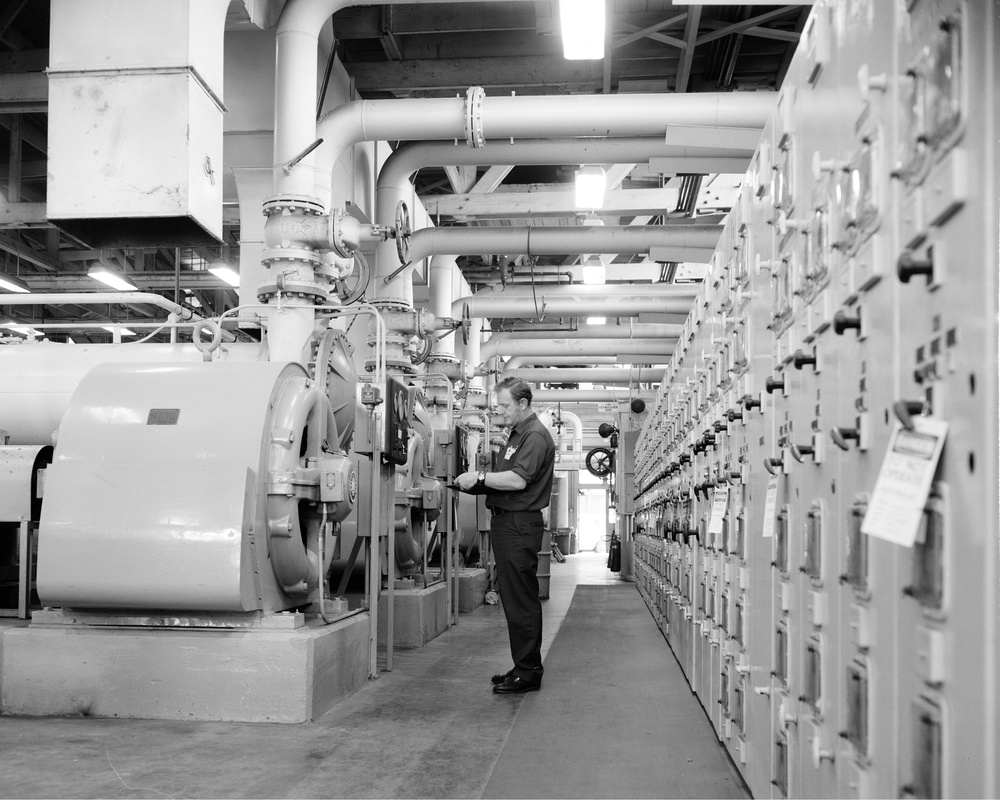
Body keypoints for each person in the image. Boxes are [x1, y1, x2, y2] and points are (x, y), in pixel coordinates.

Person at [455, 377, 555, 694]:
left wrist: (480, 476)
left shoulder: (535, 436)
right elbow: (506, 478)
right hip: (507, 522)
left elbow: (517, 481)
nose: (500, 411)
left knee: (521, 599)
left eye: (505, 405)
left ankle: (529, 673)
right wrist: (478, 483)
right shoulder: (516, 435)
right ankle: (522, 664)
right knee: (513, 599)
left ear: (523, 403)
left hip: (518, 524)